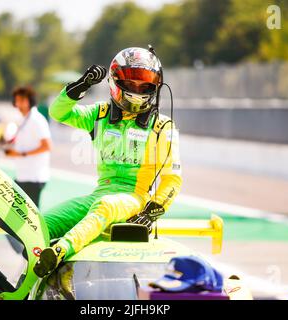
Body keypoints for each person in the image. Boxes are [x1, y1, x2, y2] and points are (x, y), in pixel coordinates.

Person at [34, 47, 182, 277]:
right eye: (131, 83)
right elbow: (57, 112)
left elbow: (173, 180)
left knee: (106, 206)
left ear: (156, 86)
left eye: (144, 84)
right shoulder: (99, 114)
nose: (137, 90)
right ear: (115, 82)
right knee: (41, 223)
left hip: (134, 198)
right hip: (98, 195)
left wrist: (153, 211)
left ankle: (60, 251)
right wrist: (82, 84)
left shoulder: (163, 126)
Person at [5, 86, 52, 208]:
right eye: (17, 100)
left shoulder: (37, 120)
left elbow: (47, 146)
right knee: (18, 214)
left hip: (33, 178)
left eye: (22, 100)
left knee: (30, 216)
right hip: (23, 175)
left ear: (30, 101)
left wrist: (21, 154)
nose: (18, 103)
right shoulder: (24, 119)